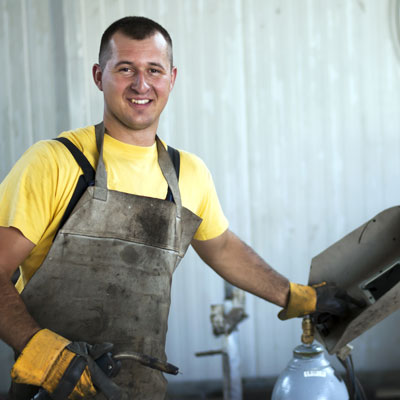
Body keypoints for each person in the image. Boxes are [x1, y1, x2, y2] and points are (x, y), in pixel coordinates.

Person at [0, 16, 354, 400]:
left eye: (154, 70)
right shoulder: (54, 162)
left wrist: (294, 295)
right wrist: (44, 355)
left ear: (172, 78)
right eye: (125, 69)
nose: (141, 84)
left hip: (141, 389)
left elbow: (221, 248)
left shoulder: (188, 174)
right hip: (54, 389)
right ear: (99, 76)